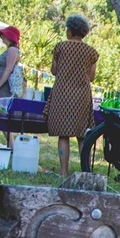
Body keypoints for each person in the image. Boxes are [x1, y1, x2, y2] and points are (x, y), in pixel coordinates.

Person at [45, 15, 99, 177]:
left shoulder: (60, 48)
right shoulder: (91, 52)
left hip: (62, 94)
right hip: (81, 95)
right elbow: (91, 77)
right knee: (82, 134)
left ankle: (63, 171)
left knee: (63, 134)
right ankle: (85, 171)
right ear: (84, 33)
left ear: (69, 31)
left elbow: (54, 71)